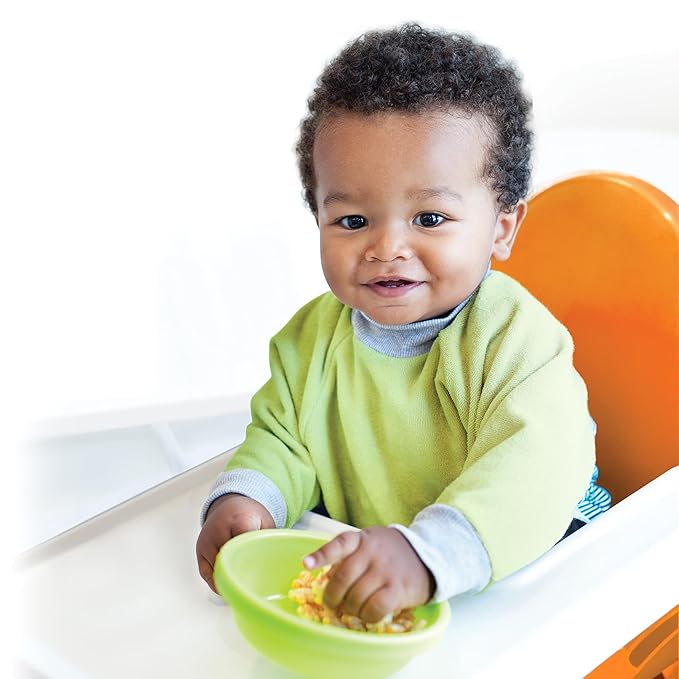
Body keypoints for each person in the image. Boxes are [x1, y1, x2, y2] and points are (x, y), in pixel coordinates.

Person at [195, 23, 611, 622]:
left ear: (501, 227)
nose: (387, 247)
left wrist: (425, 554)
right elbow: (283, 441)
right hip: (382, 566)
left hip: (530, 553)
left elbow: (536, 468)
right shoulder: (309, 342)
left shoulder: (516, 340)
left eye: (430, 218)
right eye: (353, 221)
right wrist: (247, 500)